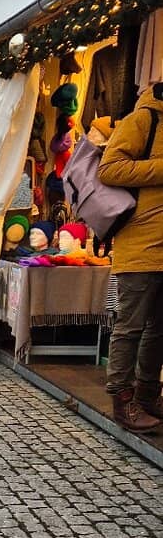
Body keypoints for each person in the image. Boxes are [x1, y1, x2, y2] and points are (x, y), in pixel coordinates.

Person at [98, 83, 163, 433]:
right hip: (140, 244)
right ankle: (123, 401)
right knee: (131, 327)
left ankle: (149, 396)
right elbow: (109, 169)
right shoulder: (144, 119)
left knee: (159, 329)